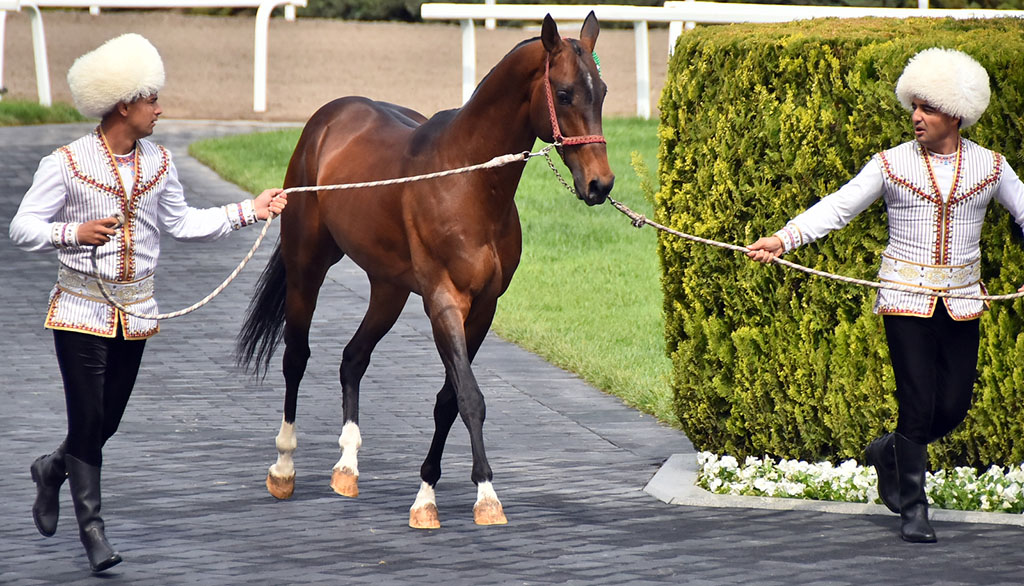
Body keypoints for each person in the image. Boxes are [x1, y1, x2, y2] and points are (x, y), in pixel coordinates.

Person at [9, 33, 287, 573]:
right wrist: (73, 232)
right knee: (88, 419)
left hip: (137, 313)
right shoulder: (66, 163)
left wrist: (250, 209)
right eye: (152, 99)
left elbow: (182, 224)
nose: (160, 108)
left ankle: (50, 468)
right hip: (78, 312)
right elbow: (22, 228)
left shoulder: (159, 162)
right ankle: (93, 528)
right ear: (123, 104)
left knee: (105, 422)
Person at [747, 48, 1024, 543]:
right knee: (917, 401)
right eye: (913, 106)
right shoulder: (891, 164)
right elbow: (839, 207)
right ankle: (914, 508)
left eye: (928, 108)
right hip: (904, 297)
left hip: (962, 300)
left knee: (955, 404)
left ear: (955, 115)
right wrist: (783, 239)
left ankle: (887, 451)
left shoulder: (992, 167)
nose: (916, 117)